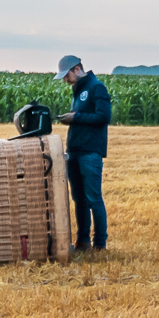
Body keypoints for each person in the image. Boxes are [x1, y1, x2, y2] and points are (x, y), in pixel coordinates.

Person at [53, 55, 111, 251]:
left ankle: (100, 244)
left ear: (77, 69)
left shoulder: (96, 87)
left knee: (94, 198)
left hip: (90, 152)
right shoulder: (78, 89)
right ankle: (83, 241)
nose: (65, 80)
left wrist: (75, 117)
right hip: (75, 151)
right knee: (79, 199)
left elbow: (103, 116)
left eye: (66, 75)